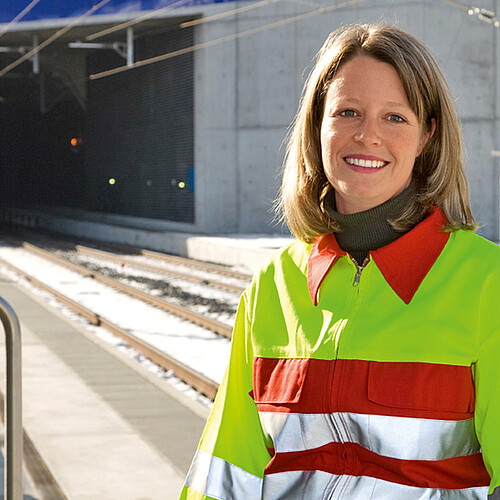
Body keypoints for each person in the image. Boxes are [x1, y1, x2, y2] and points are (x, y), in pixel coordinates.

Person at [179, 22, 500, 499]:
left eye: (395, 117)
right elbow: (226, 476)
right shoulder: (272, 286)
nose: (368, 135)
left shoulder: (487, 283)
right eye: (348, 112)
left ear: (426, 136)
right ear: (318, 125)